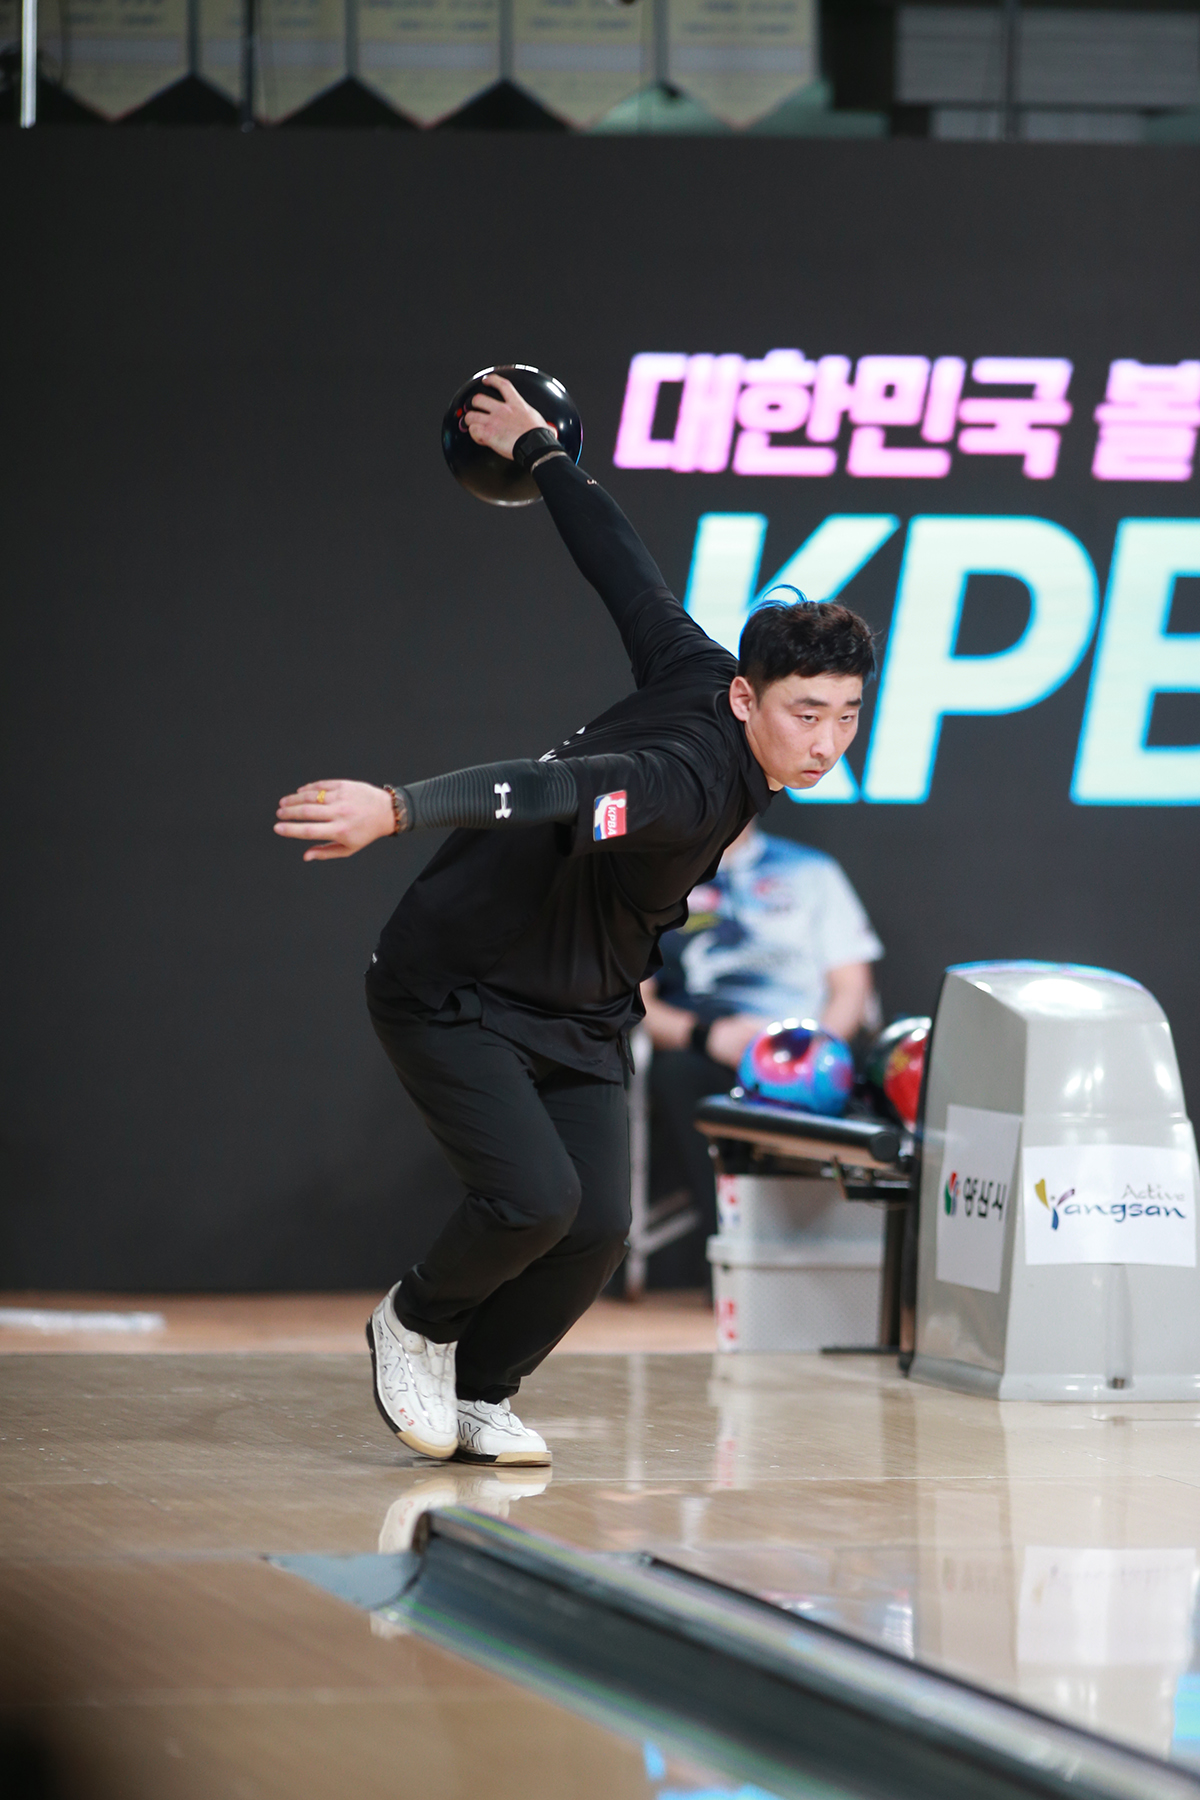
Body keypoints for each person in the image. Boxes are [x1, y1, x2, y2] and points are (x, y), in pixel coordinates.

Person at [273, 373, 876, 1467]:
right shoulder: (685, 781)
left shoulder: (696, 664)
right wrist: (397, 808)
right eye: (805, 713)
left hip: (582, 1004)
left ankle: (481, 1389)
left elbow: (622, 567)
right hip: (456, 984)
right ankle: (414, 1322)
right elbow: (549, 788)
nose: (827, 741)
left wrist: (545, 454)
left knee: (596, 1226)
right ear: (749, 699)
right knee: (533, 1200)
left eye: (845, 715)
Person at [639, 819, 883, 1284]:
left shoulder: (812, 871)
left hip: (806, 1051)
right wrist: (706, 1036)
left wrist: (811, 1051)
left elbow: (852, 988)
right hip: (712, 1047)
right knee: (678, 1075)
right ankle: (735, 1261)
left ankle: (821, 1260)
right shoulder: (656, 874)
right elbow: (637, 1002)